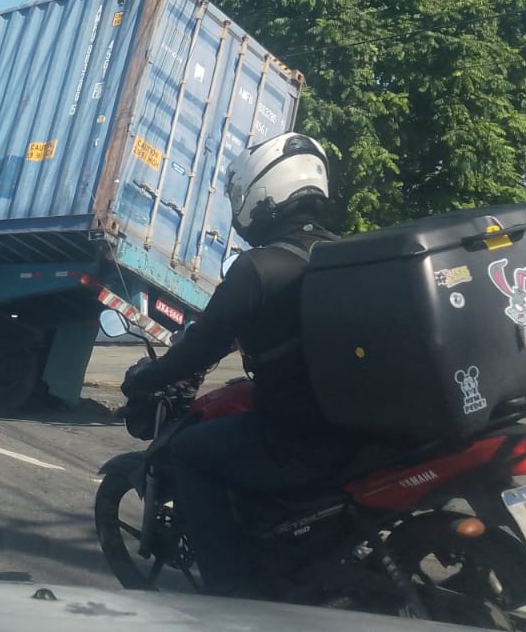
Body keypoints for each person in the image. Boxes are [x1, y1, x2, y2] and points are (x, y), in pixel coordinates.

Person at [119, 132, 355, 599]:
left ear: (263, 193)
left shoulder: (258, 268)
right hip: (355, 424)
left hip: (300, 436)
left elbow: (199, 347)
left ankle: (229, 592)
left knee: (192, 454)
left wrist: (145, 378)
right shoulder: (345, 257)